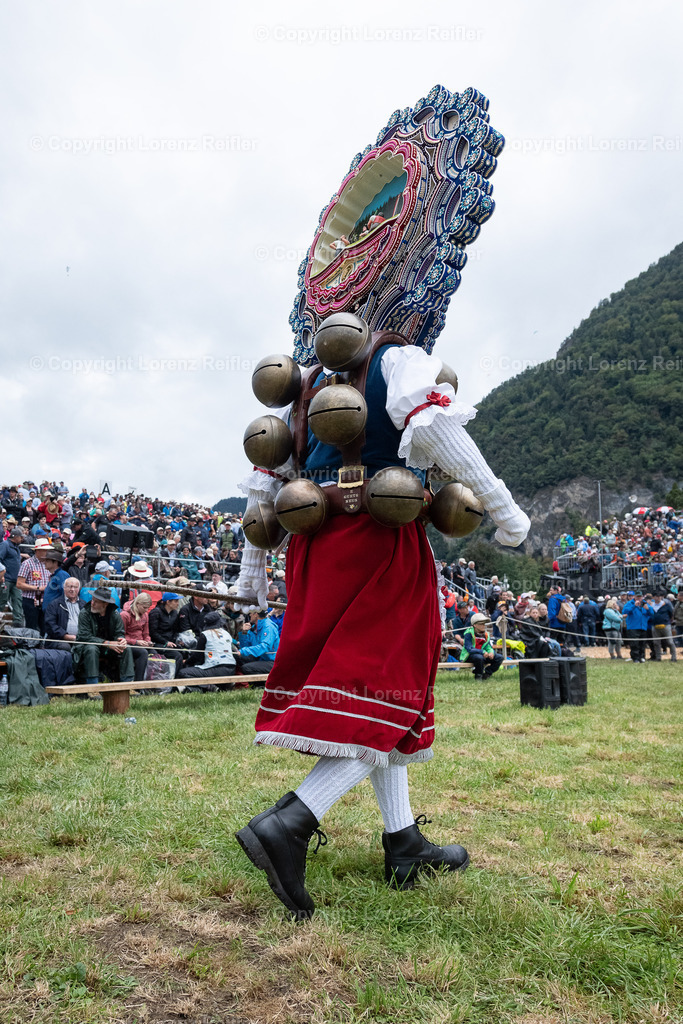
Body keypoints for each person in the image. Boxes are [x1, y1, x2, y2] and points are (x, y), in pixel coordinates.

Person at [233, 326, 529, 921]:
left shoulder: (304, 383)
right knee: (383, 692)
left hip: (316, 553)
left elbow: (268, 487)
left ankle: (403, 843)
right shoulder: (397, 360)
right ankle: (289, 823)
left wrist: (251, 572)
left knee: (373, 693)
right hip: (379, 542)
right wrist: (503, 507)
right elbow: (443, 431)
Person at [72, 586, 134, 684]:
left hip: (108, 647)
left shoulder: (114, 614)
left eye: (96, 602)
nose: (92, 603)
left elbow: (119, 632)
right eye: (92, 600)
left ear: (105, 604)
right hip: (86, 647)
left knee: (126, 648)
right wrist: (106, 643)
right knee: (91, 649)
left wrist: (121, 640)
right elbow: (84, 637)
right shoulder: (85, 613)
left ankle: (128, 683)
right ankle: (92, 686)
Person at [176, 610, 237, 687]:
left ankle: (209, 687)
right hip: (231, 668)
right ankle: (225, 685)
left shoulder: (205, 635)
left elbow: (198, 656)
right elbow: (234, 651)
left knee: (183, 672)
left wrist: (187, 662)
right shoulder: (226, 633)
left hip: (216, 668)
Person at [16, 537, 53, 631]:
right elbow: (19, 584)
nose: (48, 553)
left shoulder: (49, 563)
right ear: (38, 550)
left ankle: (42, 645)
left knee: (45, 627)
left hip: (45, 600)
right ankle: (30, 645)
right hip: (30, 600)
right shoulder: (27, 564)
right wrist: (38, 588)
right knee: (31, 627)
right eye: (45, 550)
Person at [234, 609, 279, 676]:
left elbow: (265, 647)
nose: (249, 615)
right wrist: (244, 633)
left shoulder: (269, 626)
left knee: (246, 668)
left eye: (251, 613)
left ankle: (261, 684)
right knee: (236, 656)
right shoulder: (254, 627)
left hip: (272, 661)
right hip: (260, 658)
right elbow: (244, 647)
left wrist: (244, 651)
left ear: (256, 614)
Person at [459, 613, 504, 679]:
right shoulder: (468, 634)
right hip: (470, 655)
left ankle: (487, 673)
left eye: (484, 624)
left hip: (483, 654)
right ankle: (478, 675)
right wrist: (482, 652)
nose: (483, 626)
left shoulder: (486, 634)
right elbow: (469, 649)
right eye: (481, 624)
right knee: (479, 658)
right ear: (475, 625)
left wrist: (491, 652)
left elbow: (488, 646)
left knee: (500, 658)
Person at [120, 593, 154, 681]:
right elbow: (121, 635)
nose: (146, 610)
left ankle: (150, 681)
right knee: (143, 653)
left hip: (141, 643)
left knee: (154, 652)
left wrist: (148, 641)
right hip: (128, 644)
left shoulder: (145, 615)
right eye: (144, 607)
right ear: (137, 604)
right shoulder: (124, 615)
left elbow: (146, 633)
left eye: (148, 608)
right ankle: (138, 682)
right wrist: (136, 642)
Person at [0, 527, 26, 625]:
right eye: (21, 537)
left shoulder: (16, 547)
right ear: (15, 537)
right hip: (5, 578)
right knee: (2, 601)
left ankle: (18, 624)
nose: (22, 539)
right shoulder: (5, 545)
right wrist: (1, 575)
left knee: (18, 601)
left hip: (16, 580)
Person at [621, 594, 653, 663]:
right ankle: (635, 658)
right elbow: (625, 612)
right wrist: (634, 606)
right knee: (634, 643)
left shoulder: (645, 604)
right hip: (633, 627)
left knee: (642, 643)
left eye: (640, 597)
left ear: (642, 597)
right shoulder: (629, 603)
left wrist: (648, 609)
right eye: (637, 597)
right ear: (634, 597)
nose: (639, 598)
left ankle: (642, 657)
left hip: (643, 627)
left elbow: (652, 614)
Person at [647, 593, 677, 662]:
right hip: (654, 626)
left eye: (659, 596)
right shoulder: (651, 606)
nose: (658, 598)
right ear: (654, 598)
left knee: (669, 642)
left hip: (665, 625)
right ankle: (658, 657)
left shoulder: (666, 604)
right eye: (656, 596)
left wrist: (667, 620)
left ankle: (674, 657)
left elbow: (671, 613)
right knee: (656, 642)